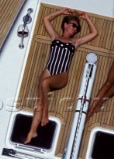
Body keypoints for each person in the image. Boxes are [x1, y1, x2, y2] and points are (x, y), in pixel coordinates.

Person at [25, 8, 98, 144]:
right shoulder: (55, 36)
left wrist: (87, 18)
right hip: (48, 70)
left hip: (62, 75)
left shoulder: (75, 42)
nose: (75, 29)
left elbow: (94, 33)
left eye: (77, 28)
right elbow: (46, 19)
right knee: (39, 101)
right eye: (74, 25)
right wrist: (61, 11)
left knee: (45, 83)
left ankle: (45, 114)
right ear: (65, 24)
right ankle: (32, 132)